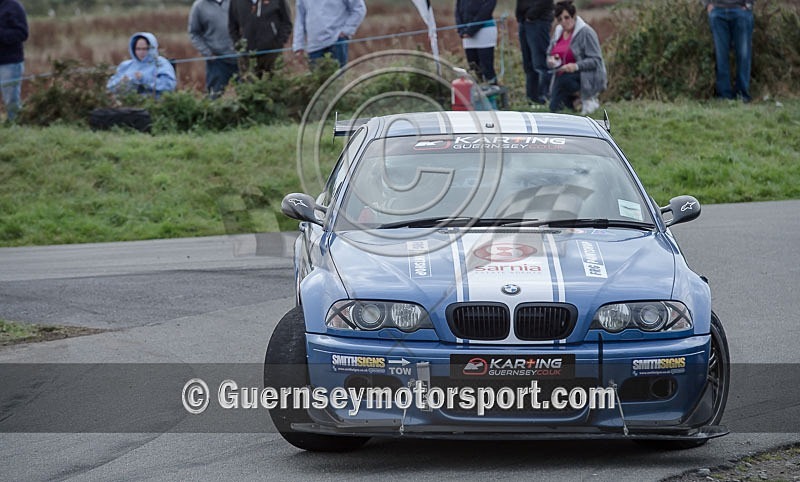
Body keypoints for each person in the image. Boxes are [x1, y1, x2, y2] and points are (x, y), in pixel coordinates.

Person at [546, 1, 606, 114]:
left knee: (564, 81)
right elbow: (549, 53)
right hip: (560, 75)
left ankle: (587, 97)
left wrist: (576, 66)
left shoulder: (586, 32)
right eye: (560, 19)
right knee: (555, 106)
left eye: (566, 17)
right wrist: (553, 61)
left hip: (584, 76)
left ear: (573, 16)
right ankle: (572, 103)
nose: (563, 22)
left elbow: (596, 60)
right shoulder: (558, 32)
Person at [704, 0, 754, 102]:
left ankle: (742, 95)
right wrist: (708, 4)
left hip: (740, 10)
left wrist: (748, 4)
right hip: (718, 11)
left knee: (743, 55)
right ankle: (724, 95)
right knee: (721, 55)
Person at [293, 0, 367, 69]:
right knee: (318, 81)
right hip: (314, 46)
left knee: (336, 79)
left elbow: (359, 9)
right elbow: (300, 18)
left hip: (336, 41)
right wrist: (298, 46)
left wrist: (346, 31)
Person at [228, 0, 292, 77]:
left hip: (272, 54)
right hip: (247, 56)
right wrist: (240, 46)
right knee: (250, 86)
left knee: (274, 86)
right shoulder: (235, 2)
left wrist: (278, 43)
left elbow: (286, 22)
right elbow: (232, 26)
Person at [188, 0, 239, 97]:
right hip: (217, 61)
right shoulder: (199, 6)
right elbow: (194, 33)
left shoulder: (236, 2)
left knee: (247, 94)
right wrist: (208, 53)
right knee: (214, 96)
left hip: (240, 57)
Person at [107, 33, 177, 98]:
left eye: (145, 49)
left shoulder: (161, 63)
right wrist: (121, 83)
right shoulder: (126, 65)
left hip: (153, 104)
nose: (141, 52)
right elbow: (110, 86)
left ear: (152, 48)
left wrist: (144, 79)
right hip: (128, 104)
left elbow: (169, 85)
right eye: (138, 49)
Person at [516, 0, 553, 106]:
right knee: (528, 65)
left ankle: (544, 98)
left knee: (541, 64)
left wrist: (532, 14)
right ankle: (532, 99)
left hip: (538, 21)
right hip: (524, 21)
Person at [456, 0, 498, 84]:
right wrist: (461, 30)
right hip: (466, 33)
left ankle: (492, 93)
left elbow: (486, 11)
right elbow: (457, 10)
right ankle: (480, 91)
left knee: (486, 66)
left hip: (484, 31)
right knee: (473, 65)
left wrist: (471, 30)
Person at [0, 0, 28, 122]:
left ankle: (15, 129)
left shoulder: (13, 6)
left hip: (9, 63)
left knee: (11, 102)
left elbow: (22, 33)